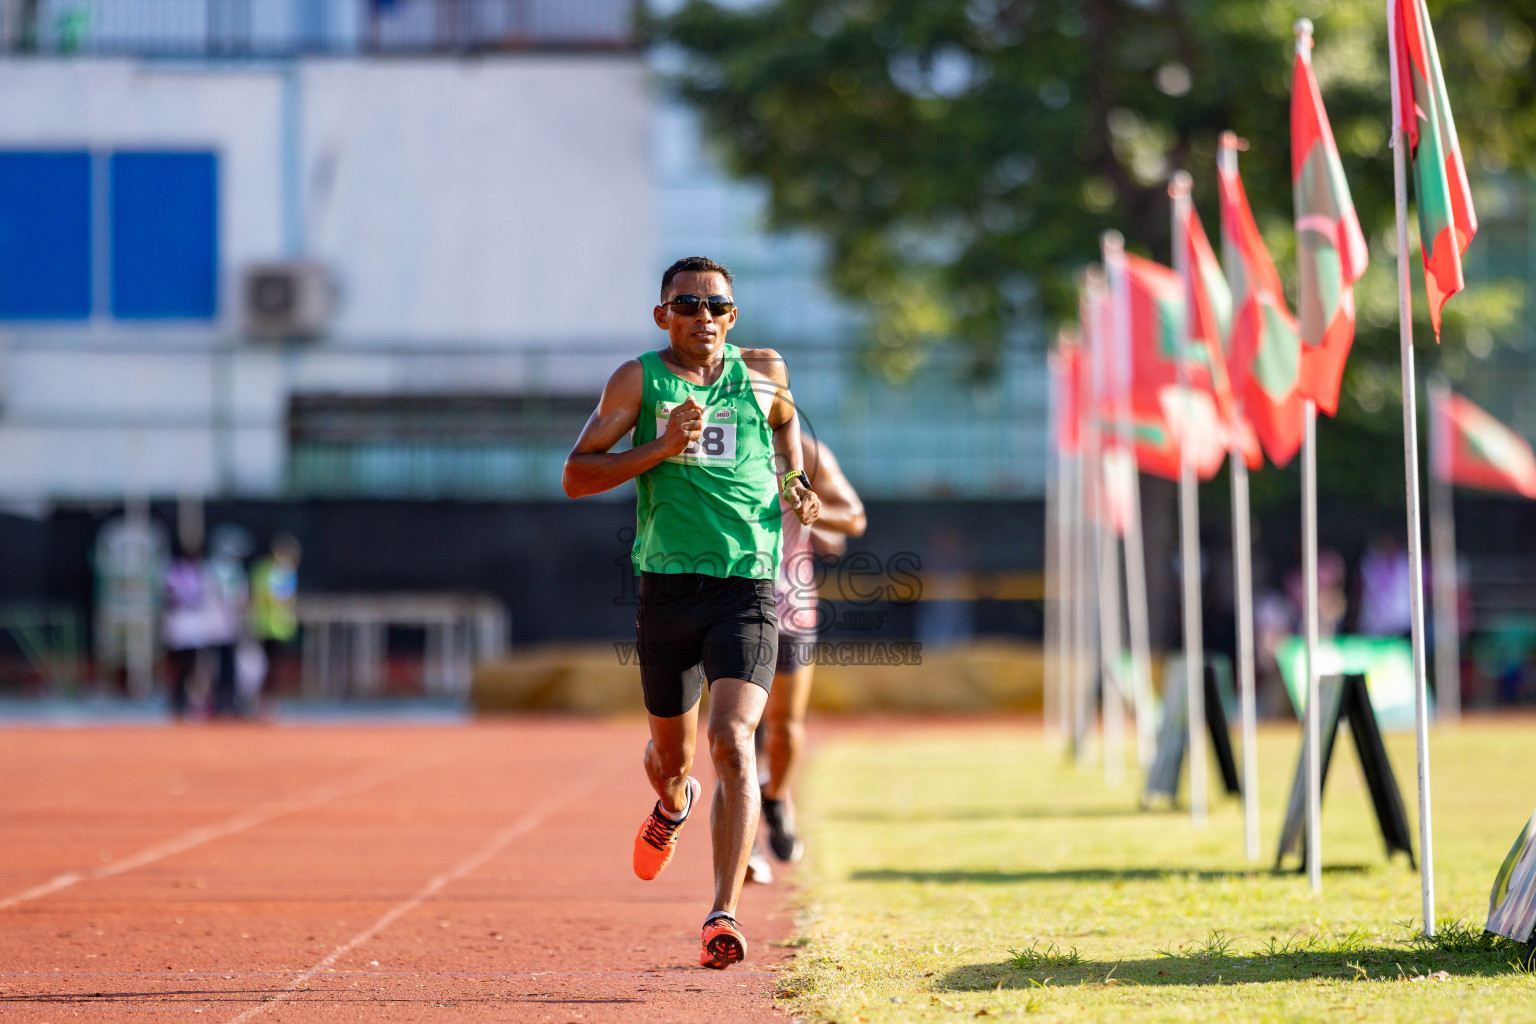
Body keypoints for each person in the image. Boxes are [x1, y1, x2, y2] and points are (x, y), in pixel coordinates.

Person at [562, 256, 821, 970]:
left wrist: (794, 479)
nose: (703, 317)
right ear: (662, 316)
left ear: (733, 317)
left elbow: (785, 424)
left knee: (735, 739)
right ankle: (673, 805)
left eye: (717, 306)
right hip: (668, 591)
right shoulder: (638, 381)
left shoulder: (765, 371)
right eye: (687, 304)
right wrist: (660, 446)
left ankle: (722, 913)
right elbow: (576, 474)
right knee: (672, 759)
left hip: (745, 591)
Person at [749, 438, 865, 884]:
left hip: (790, 604)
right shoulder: (716, 436)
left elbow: (852, 518)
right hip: (731, 604)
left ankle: (776, 798)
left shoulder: (806, 450)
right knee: (736, 732)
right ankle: (747, 845)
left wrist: (813, 511)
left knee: (785, 728)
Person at [249, 533, 302, 705]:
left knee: (271, 667)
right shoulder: (278, 572)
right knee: (267, 667)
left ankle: (264, 701)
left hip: (273, 627)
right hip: (270, 627)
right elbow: (278, 598)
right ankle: (261, 701)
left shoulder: (271, 571)